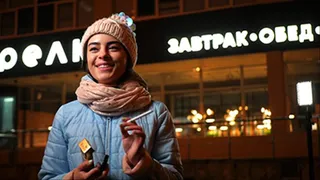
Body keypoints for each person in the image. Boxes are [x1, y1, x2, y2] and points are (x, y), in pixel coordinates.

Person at [38, 12, 183, 180]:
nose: (103, 55)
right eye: (94, 48)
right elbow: (48, 177)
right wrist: (72, 178)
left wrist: (143, 163)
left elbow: (175, 177)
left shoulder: (156, 112)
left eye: (113, 47)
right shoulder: (66, 114)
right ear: (87, 58)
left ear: (128, 58)